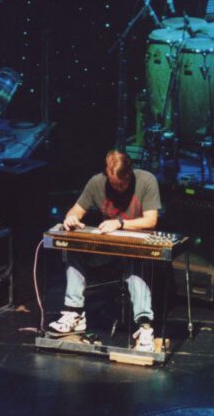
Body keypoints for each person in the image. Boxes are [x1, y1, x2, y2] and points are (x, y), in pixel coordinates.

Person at [49, 150, 162, 352]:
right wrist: (71, 218)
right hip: (107, 250)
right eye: (114, 183)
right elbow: (75, 210)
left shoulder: (147, 181)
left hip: (133, 249)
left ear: (130, 175)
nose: (118, 188)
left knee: (136, 263)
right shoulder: (97, 182)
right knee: (74, 250)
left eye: (123, 183)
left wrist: (119, 223)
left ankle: (144, 326)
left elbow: (151, 221)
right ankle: (74, 313)